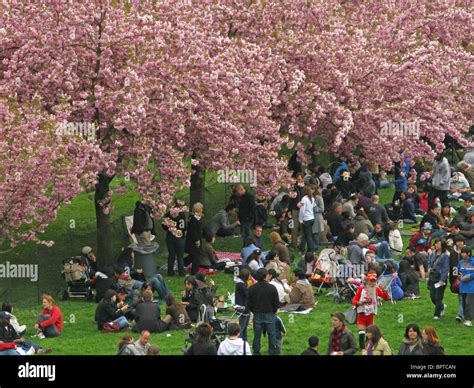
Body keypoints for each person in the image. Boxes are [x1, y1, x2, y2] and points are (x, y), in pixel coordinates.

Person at [352, 272, 389, 350]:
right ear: (367, 281)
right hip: (362, 313)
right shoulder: (361, 289)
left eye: (374, 281)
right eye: (370, 281)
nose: (372, 283)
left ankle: (370, 348)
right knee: (361, 333)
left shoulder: (377, 289)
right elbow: (354, 300)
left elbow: (385, 298)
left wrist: (384, 290)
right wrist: (359, 302)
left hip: (371, 315)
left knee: (370, 333)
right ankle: (363, 349)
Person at [247, 268, 279, 355]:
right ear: (266, 276)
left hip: (257, 314)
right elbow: (276, 303)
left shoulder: (252, 288)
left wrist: (254, 311)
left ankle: (256, 352)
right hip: (269, 314)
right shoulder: (272, 288)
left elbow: (249, 303)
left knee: (257, 335)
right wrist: (274, 310)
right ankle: (272, 352)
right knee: (272, 335)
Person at [162, 200, 187, 276]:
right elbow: (184, 227)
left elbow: (164, 226)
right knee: (180, 256)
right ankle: (182, 273)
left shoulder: (167, 215)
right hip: (180, 238)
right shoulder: (182, 215)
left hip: (170, 238)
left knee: (171, 255)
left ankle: (170, 272)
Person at [427, 238, 449, 320]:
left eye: (438, 244)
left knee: (438, 297)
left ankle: (436, 314)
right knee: (432, 296)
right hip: (433, 278)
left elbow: (445, 268)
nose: (436, 245)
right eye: (435, 243)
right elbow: (429, 262)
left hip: (440, 279)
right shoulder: (432, 254)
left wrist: (442, 280)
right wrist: (429, 268)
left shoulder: (445, 256)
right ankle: (442, 307)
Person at [185, 202, 204, 275]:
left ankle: (183, 263)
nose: (202, 210)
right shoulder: (193, 218)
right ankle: (195, 272)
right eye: (201, 208)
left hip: (196, 238)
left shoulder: (196, 217)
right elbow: (193, 230)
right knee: (196, 256)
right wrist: (197, 240)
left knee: (193, 255)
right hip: (194, 240)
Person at [450, 236, 466, 321]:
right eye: (458, 241)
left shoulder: (467, 252)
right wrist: (455, 277)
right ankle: (461, 314)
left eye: (461, 241)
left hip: (467, 278)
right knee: (461, 297)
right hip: (458, 279)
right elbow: (452, 266)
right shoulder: (452, 253)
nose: (460, 243)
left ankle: (461, 314)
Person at [457, 246, 474, 327]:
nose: (462, 254)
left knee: (469, 303)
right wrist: (458, 276)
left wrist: (468, 276)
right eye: (461, 252)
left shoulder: (473, 262)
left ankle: (469, 320)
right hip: (462, 286)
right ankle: (466, 318)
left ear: (469, 253)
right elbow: (457, 271)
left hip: (471, 287)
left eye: (463, 253)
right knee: (463, 303)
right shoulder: (460, 262)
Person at [288, 173, 305, 249]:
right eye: (297, 179)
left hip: (303, 211)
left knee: (303, 229)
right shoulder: (294, 187)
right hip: (295, 209)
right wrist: (289, 210)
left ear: (303, 179)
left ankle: (301, 244)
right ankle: (293, 244)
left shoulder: (306, 188)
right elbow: (291, 200)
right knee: (294, 228)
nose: (298, 181)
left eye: (300, 179)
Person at [298, 186, 317, 252]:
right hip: (312, 218)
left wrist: (300, 219)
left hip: (306, 219)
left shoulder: (304, 199)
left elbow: (302, 210)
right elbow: (314, 206)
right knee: (309, 235)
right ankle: (310, 250)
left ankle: (312, 250)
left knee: (308, 236)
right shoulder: (312, 198)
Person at [234, 268, 251, 341]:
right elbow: (248, 295)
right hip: (243, 308)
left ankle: (244, 342)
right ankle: (240, 342)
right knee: (242, 327)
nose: (250, 276)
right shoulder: (241, 285)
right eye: (249, 275)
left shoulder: (241, 284)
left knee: (244, 327)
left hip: (244, 307)